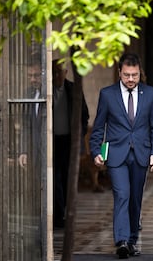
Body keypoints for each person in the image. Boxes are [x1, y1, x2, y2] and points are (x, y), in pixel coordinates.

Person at [89, 53, 153, 259]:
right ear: (119, 73)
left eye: (135, 75)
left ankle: (131, 241)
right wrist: (96, 151)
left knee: (135, 199)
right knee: (122, 194)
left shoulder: (149, 94)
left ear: (140, 73)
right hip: (116, 155)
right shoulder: (107, 94)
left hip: (141, 154)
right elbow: (98, 127)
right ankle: (121, 241)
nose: (131, 79)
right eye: (126, 75)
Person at [52, 59, 89, 228]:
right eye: (54, 72)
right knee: (54, 178)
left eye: (60, 71)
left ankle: (66, 210)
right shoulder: (46, 91)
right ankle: (58, 214)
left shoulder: (74, 89)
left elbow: (84, 114)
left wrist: (79, 137)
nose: (57, 75)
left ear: (66, 73)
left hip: (68, 141)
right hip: (52, 141)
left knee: (67, 177)